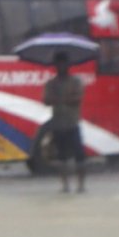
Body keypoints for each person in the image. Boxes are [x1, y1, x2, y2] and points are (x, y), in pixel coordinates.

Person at [42, 53, 87, 194]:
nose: (61, 67)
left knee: (79, 156)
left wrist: (60, 98)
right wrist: (60, 98)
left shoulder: (75, 81)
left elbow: (77, 99)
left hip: (72, 123)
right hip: (58, 124)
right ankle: (65, 186)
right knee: (62, 157)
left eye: (63, 63)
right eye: (58, 64)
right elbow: (46, 100)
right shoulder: (51, 83)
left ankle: (81, 185)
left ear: (68, 65)